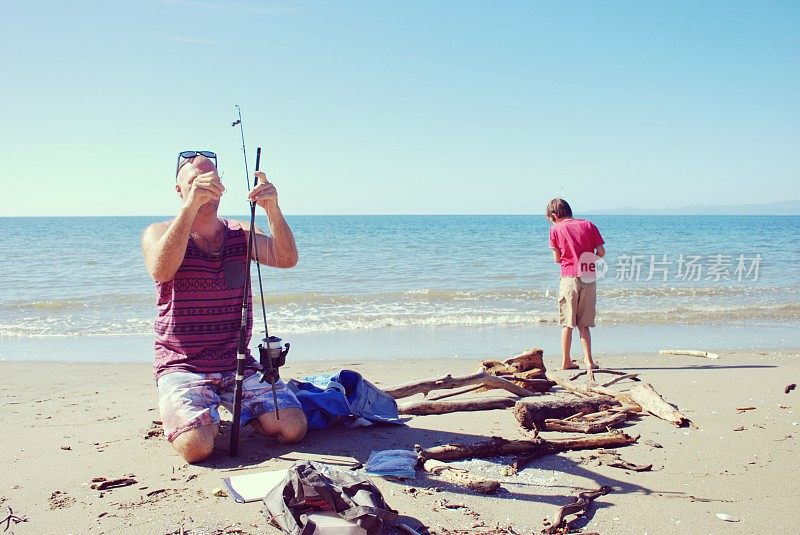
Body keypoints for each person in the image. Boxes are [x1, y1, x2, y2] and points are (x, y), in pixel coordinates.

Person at [141, 150, 307, 463]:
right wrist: (190, 209)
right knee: (197, 447)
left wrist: (272, 209)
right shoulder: (158, 233)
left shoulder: (241, 233)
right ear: (179, 190)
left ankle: (238, 412)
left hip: (237, 362)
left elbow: (286, 259)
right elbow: (161, 270)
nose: (205, 185)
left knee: (293, 429)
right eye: (195, 180)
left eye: (212, 178)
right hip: (182, 364)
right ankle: (199, 418)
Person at [546, 198, 605, 370]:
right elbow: (601, 252)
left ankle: (566, 361)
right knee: (584, 323)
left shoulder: (555, 229)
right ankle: (589, 361)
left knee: (567, 323)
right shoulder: (589, 225)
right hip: (588, 276)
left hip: (568, 278)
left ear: (554, 215)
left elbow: (557, 259)